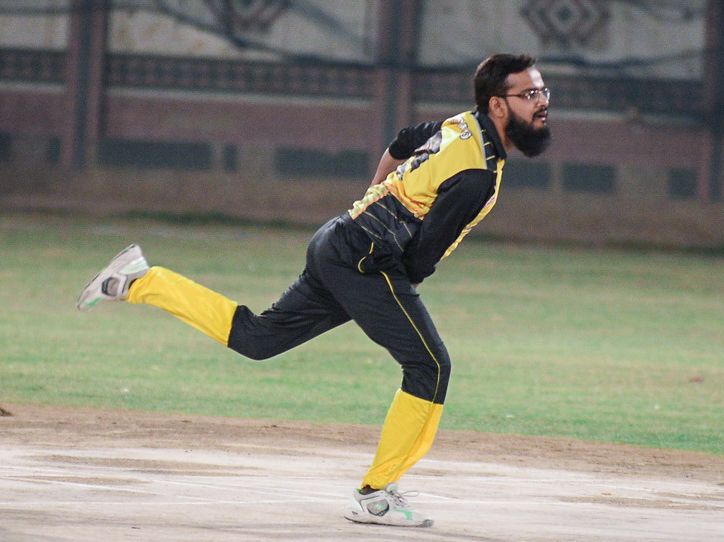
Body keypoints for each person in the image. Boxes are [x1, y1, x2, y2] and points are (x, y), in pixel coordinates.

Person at [77, 53, 551, 527]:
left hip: (339, 240)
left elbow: (401, 142)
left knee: (257, 340)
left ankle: (141, 281)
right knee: (430, 365)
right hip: (364, 260)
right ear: (497, 105)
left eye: (543, 91)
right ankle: (374, 496)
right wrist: (392, 276)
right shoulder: (477, 175)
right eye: (529, 93)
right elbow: (423, 255)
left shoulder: (461, 126)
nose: (542, 101)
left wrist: (370, 202)